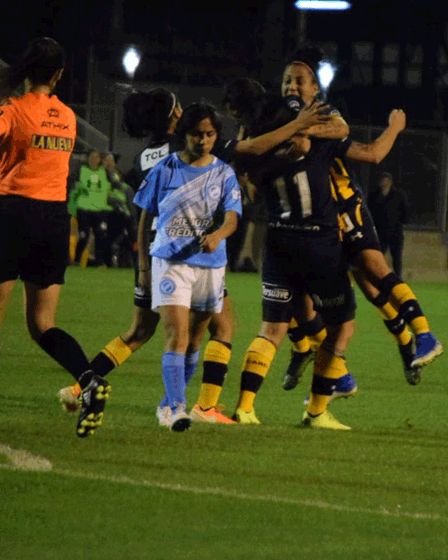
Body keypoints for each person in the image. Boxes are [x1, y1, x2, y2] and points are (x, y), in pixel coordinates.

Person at [54, 87, 328, 424]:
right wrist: (296, 126)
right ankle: (198, 406)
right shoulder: (187, 147)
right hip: (185, 253)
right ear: (175, 117)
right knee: (220, 328)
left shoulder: (148, 155)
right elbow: (253, 148)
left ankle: (81, 388)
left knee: (140, 333)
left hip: (156, 254)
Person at [0, 37, 110, 437]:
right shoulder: (67, 116)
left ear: (25, 70)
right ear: (59, 75)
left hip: (15, 213)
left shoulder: (14, 109)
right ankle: (89, 380)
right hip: (54, 219)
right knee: (42, 322)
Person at [279, 45, 443, 391]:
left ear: (314, 89)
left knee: (374, 275)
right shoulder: (281, 122)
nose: (291, 87)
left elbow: (368, 150)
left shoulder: (322, 120)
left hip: (343, 212)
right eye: (286, 81)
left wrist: (395, 127)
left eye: (298, 81)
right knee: (342, 294)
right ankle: (333, 365)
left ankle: (422, 337)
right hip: (313, 224)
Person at [227, 94, 358, 429]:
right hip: (319, 246)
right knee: (341, 326)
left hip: (279, 244)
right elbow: (347, 133)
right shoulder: (319, 146)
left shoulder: (261, 159)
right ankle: (316, 411)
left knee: (271, 329)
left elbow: (252, 165)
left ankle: (244, 408)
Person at [134, 101, 242, 431]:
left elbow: (233, 218)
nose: (203, 140)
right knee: (176, 336)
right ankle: (179, 408)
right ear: (185, 135)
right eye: (197, 134)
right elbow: (143, 220)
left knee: (195, 340)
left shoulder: (224, 173)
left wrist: (218, 235)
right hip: (170, 262)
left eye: (209, 134)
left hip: (210, 266)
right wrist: (142, 267)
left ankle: (167, 405)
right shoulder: (164, 170)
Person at [71, 149, 114, 267]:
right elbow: (73, 184)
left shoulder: (104, 172)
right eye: (92, 157)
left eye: (96, 157)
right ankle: (77, 260)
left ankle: (99, 262)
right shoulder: (81, 170)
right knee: (84, 236)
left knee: (100, 236)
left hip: (100, 209)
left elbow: (113, 184)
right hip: (84, 208)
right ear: (88, 159)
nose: (94, 160)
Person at [367, 171, 408, 278]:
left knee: (396, 257)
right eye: (383, 180)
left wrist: (400, 223)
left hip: (395, 233)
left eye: (386, 180)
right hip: (380, 233)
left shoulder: (398, 196)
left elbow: (405, 213)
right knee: (378, 256)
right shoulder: (374, 196)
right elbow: (369, 212)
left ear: (390, 182)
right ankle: (377, 276)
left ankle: (398, 278)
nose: (384, 182)